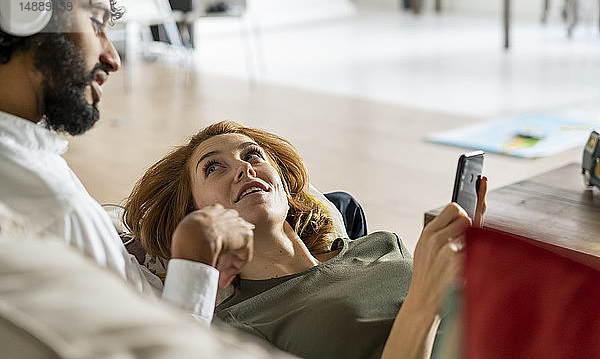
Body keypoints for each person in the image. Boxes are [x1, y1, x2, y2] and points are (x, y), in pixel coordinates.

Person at [0, 0, 253, 326]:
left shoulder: (31, 160)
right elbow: (159, 349)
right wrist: (194, 261)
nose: (112, 58)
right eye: (97, 22)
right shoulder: (50, 205)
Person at [123, 120, 488, 359]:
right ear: (195, 213)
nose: (244, 168)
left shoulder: (379, 245)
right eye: (213, 167)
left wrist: (470, 267)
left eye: (252, 155)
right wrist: (425, 297)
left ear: (284, 183)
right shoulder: (239, 325)